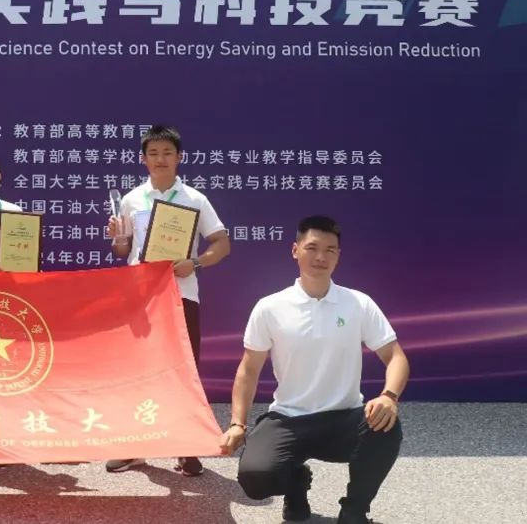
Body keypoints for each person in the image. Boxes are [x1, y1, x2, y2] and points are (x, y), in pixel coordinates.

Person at [220, 215, 409, 524]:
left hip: (344, 417)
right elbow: (248, 370)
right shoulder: (270, 307)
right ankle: (296, 484)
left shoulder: (358, 303)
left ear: (338, 256)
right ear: (295, 250)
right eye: (312, 248)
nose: (321, 257)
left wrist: (389, 396)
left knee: (386, 426)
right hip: (289, 418)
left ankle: (354, 512)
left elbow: (396, 357)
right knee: (255, 477)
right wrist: (237, 424)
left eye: (330, 250)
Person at [104, 125, 231, 475]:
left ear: (179, 157)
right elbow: (123, 250)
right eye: (153, 153)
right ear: (143, 159)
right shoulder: (131, 199)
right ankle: (134, 446)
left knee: (184, 370)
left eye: (167, 153)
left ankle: (186, 446)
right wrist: (117, 237)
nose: (160, 159)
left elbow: (221, 243)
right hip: (140, 297)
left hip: (180, 294)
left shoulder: (194, 199)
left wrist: (196, 263)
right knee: (137, 371)